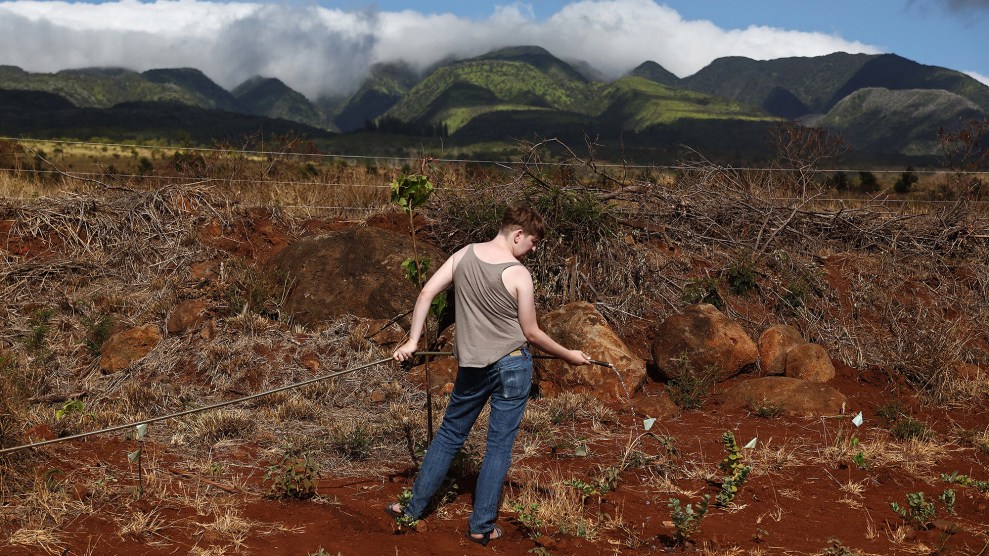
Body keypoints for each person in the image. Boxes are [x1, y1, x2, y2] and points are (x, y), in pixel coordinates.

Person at [387, 205, 591, 545]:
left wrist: (412, 340)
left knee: (450, 435)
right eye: (534, 243)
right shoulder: (518, 273)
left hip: (472, 367)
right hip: (512, 366)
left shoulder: (463, 255)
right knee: (498, 448)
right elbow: (531, 333)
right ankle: (481, 526)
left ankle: (411, 510)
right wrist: (569, 355)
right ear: (518, 235)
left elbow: (425, 293)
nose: (534, 250)